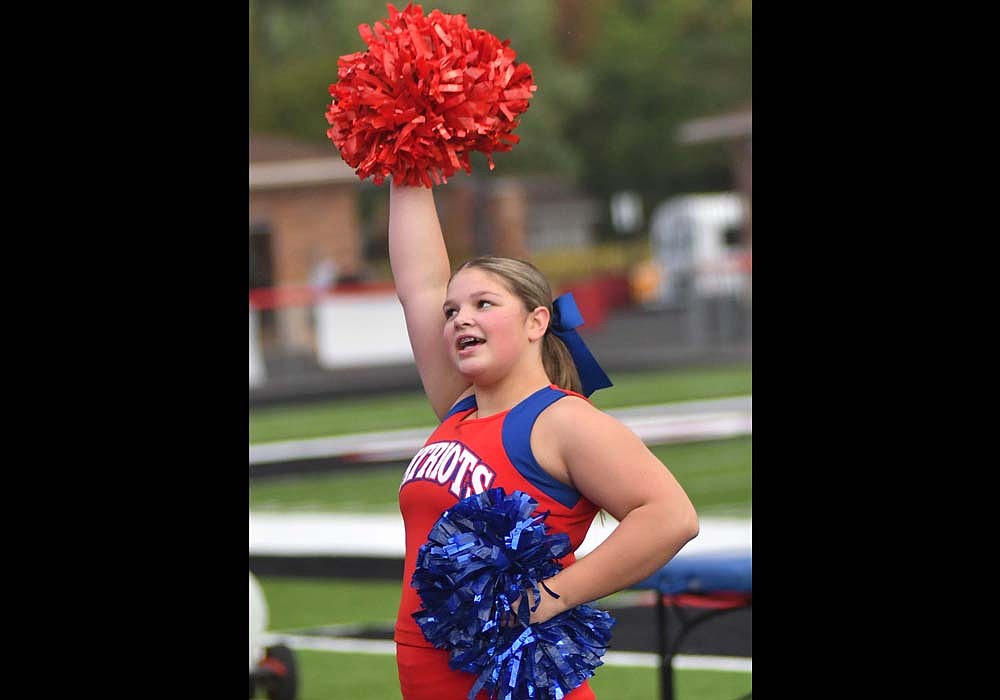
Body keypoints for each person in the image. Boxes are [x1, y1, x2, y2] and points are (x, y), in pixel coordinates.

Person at [389, 182, 699, 700]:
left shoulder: (560, 420)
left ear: (536, 322)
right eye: (452, 311)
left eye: (483, 304)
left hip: (513, 683)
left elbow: (671, 516)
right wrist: (407, 163)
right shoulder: (459, 407)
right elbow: (419, 284)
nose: (460, 318)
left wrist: (552, 597)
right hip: (429, 678)